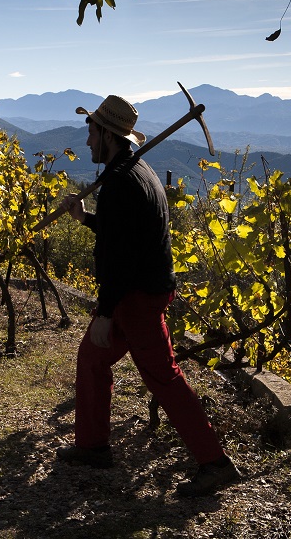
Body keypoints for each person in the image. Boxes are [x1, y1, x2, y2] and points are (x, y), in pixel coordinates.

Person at [55, 94, 240, 497]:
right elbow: (124, 234)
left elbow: (118, 257)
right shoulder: (137, 171)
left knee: (163, 377)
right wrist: (86, 217)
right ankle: (92, 446)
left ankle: (215, 462)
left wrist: (105, 314)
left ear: (106, 134)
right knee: (92, 358)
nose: (87, 142)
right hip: (142, 291)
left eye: (90, 132)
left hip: (136, 298)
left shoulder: (122, 182)